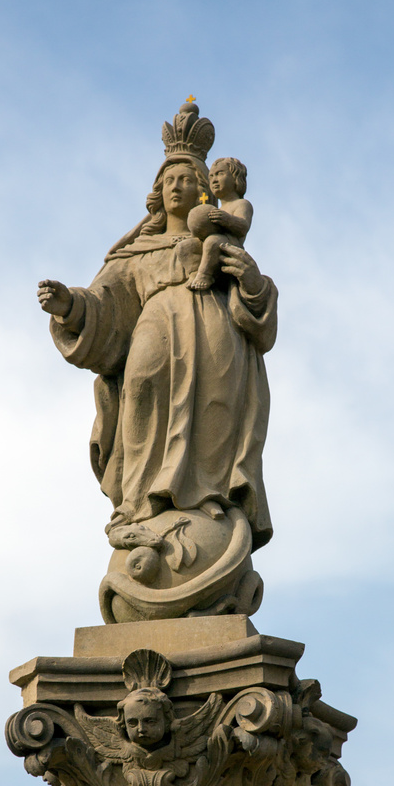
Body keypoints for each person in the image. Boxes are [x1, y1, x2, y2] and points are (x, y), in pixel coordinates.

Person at [37, 146, 277, 554]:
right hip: (156, 328)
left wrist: (253, 282)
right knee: (142, 393)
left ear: (204, 191)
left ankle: (209, 503)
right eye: (168, 181)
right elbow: (105, 301)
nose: (175, 187)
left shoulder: (218, 239)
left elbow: (259, 314)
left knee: (213, 410)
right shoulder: (138, 252)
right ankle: (138, 509)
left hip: (216, 336)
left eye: (185, 179)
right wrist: (70, 307)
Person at [187, 157, 253, 291]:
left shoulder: (241, 204)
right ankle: (194, 272)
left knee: (213, 241)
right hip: (212, 246)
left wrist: (227, 220)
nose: (214, 180)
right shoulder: (217, 209)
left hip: (230, 246)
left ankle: (205, 275)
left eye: (220, 174)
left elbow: (243, 227)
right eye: (211, 176)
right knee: (185, 247)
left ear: (235, 178)